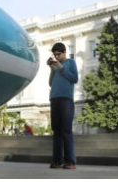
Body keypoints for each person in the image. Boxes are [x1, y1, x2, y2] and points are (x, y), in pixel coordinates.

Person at [47, 42, 78, 170]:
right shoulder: (55, 66)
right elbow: (50, 83)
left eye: (58, 54)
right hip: (54, 99)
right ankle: (57, 161)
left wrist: (61, 68)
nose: (57, 57)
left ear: (64, 52)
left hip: (66, 99)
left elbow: (74, 78)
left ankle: (71, 161)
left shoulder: (70, 62)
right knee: (57, 132)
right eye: (55, 55)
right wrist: (52, 69)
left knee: (66, 130)